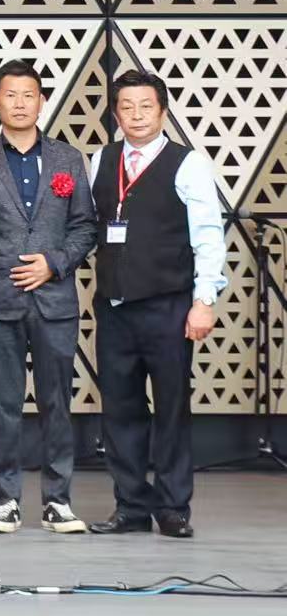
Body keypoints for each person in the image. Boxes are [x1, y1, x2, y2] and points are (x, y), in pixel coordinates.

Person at [85, 69, 224, 541]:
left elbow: (208, 236)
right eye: (127, 106)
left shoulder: (188, 163)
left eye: (146, 106)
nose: (137, 115)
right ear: (115, 113)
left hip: (168, 306)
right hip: (114, 307)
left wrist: (204, 301)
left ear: (162, 111)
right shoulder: (101, 160)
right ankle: (131, 506)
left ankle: (172, 507)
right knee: (119, 410)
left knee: (170, 409)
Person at [0, 59, 96, 536]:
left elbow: (85, 227)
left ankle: (59, 501)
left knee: (58, 403)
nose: (19, 103)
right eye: (10, 95)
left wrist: (54, 263)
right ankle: (6, 500)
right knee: (4, 404)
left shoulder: (68, 159)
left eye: (28, 95)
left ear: (41, 101)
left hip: (55, 299)